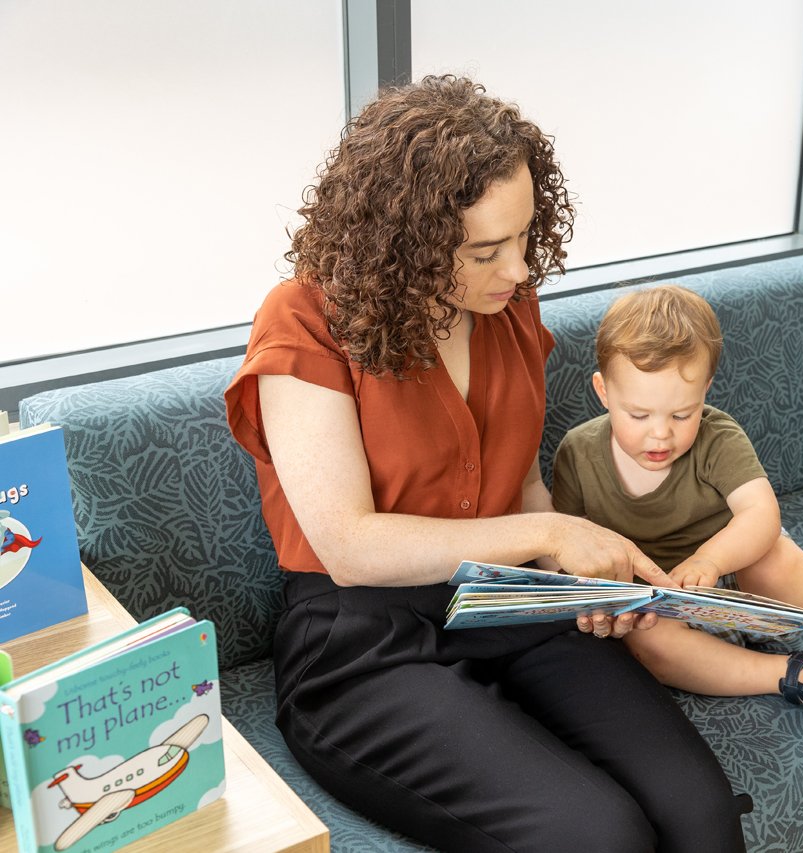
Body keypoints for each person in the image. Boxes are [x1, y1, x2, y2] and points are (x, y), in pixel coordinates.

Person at [224, 76, 747, 853]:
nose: (518, 268)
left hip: (513, 603)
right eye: (484, 250)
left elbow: (521, 483)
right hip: (362, 639)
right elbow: (349, 544)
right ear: (403, 242)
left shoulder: (509, 307)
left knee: (699, 813)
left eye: (526, 235)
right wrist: (550, 531)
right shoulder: (303, 320)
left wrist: (585, 585)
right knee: (597, 835)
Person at [552, 285, 803, 743]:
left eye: (682, 414)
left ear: (705, 392)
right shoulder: (578, 452)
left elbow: (760, 514)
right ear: (603, 391)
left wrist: (710, 561)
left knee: (772, 554)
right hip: (666, 608)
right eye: (639, 414)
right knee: (645, 644)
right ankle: (796, 676)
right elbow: (567, 542)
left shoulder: (718, 437)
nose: (661, 435)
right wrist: (600, 594)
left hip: (739, 586)